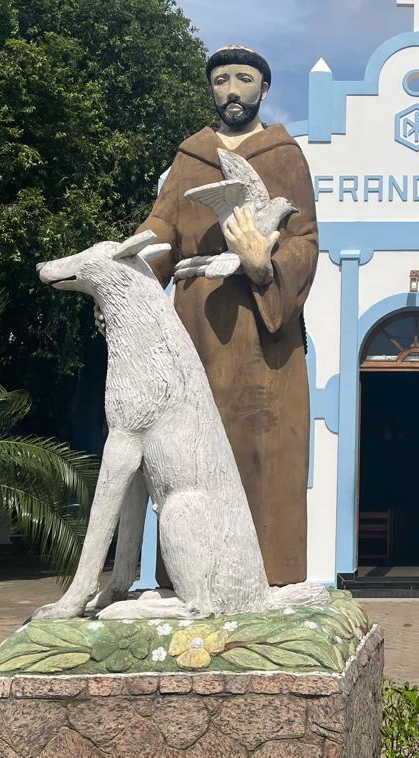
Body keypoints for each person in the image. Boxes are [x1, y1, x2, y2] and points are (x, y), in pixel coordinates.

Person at [132, 44, 317, 585]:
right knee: (189, 449)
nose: (231, 90)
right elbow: (160, 230)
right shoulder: (191, 157)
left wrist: (265, 264)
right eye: (220, 80)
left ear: (263, 89)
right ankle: (190, 577)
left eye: (242, 79)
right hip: (197, 330)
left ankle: (272, 579)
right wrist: (128, 276)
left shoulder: (284, 155)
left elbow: (305, 239)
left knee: (266, 449)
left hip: (264, 339)